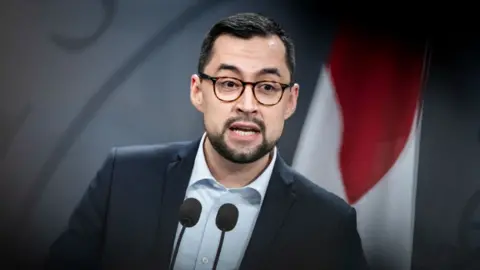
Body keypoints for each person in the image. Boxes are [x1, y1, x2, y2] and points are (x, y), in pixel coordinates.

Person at [46, 12, 368, 270]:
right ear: (198, 91)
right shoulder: (124, 177)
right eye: (228, 83)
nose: (247, 104)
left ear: (290, 101)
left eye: (267, 87)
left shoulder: (329, 224)